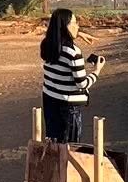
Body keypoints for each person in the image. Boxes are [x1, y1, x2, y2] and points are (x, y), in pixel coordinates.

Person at [39, 8, 104, 145]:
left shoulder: (48, 44)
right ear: (65, 26)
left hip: (50, 100)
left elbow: (59, 34)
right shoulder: (73, 52)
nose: (78, 26)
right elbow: (82, 84)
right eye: (74, 23)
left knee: (54, 143)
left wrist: (78, 34)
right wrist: (97, 71)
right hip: (68, 106)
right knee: (70, 147)